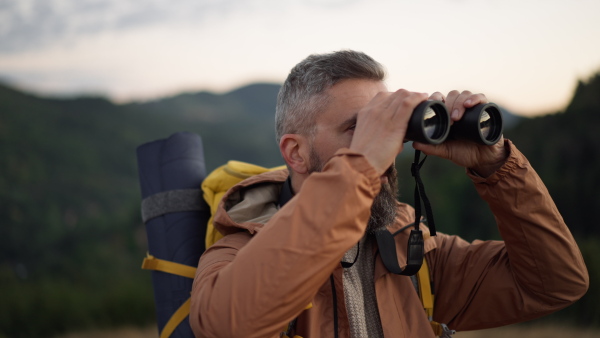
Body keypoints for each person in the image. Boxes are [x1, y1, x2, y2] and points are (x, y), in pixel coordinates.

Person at [189, 50, 589, 337]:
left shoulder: (413, 254)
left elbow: (556, 284)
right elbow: (229, 325)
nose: (387, 144)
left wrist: (497, 167)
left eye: (387, 124)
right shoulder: (237, 251)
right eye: (358, 128)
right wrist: (362, 162)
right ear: (296, 151)